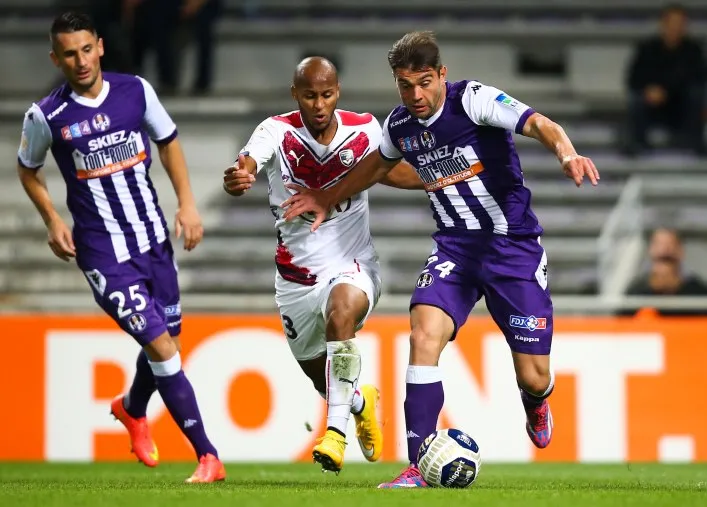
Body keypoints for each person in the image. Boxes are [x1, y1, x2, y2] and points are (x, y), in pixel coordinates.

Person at [281, 31, 600, 488]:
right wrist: (325, 196)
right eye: (404, 85)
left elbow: (541, 125)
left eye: (424, 83)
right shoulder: (399, 126)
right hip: (455, 249)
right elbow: (377, 165)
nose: (415, 95)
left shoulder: (474, 100)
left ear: (442, 76)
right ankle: (417, 465)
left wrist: (567, 155)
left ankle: (537, 401)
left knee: (534, 375)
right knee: (422, 336)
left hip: (512, 248)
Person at [16, 11, 224, 483]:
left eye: (86, 49)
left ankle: (132, 408)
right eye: (69, 53)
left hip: (154, 242)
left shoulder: (135, 90)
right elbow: (28, 168)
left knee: (166, 338)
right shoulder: (46, 115)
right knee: (163, 346)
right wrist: (52, 219)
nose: (80, 60)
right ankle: (207, 455)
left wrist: (188, 205)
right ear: (56, 58)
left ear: (101, 47)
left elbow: (168, 141)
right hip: (103, 254)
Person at [222, 56, 422, 473]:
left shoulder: (364, 128)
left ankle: (334, 434)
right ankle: (361, 402)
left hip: (352, 264)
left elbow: (387, 171)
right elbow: (248, 164)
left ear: (338, 92)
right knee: (324, 378)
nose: (318, 104)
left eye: (326, 94)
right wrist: (238, 177)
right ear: (295, 94)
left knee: (341, 311)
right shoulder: (275, 132)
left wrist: (440, 177)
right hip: (295, 278)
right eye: (310, 95)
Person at [624, 3, 707, 156]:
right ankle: (637, 146)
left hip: (682, 105)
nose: (675, 27)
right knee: (637, 99)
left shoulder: (693, 50)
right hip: (653, 106)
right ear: (663, 23)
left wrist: (666, 91)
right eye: (672, 22)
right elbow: (633, 79)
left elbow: (697, 78)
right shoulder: (647, 49)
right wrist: (649, 90)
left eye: (679, 23)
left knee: (697, 95)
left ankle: (695, 145)